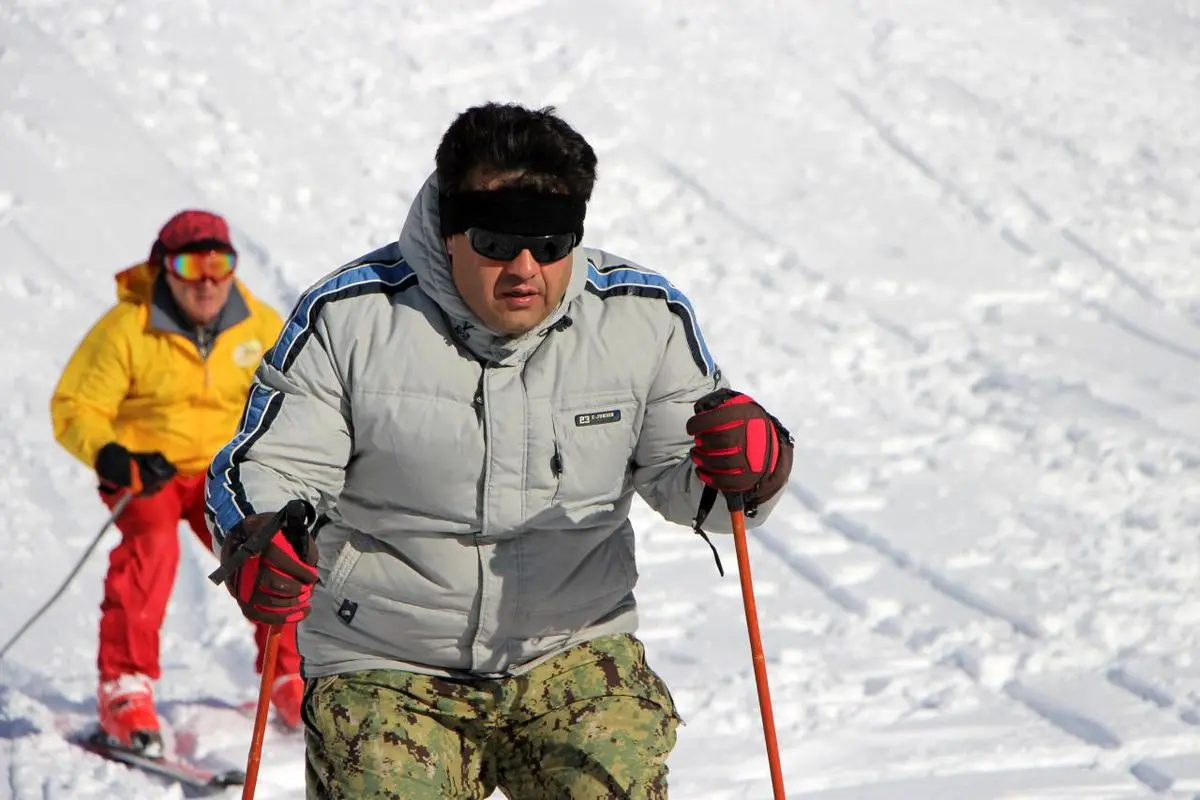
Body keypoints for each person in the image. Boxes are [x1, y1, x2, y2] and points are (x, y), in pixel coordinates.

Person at [205, 103, 794, 800]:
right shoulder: (353, 319)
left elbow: (693, 484)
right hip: (388, 659)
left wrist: (752, 467)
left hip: (572, 651)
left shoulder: (641, 318)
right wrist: (262, 535)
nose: (524, 268)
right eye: (494, 241)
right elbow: (273, 465)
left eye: (549, 244)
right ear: (449, 232)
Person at [49, 210, 302, 757]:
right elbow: (76, 405)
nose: (207, 280)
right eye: (191, 264)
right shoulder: (128, 328)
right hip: (151, 473)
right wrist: (112, 452)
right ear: (165, 268)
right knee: (152, 550)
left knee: (273, 548)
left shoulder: (257, 325)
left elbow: (295, 396)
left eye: (220, 263)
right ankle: (125, 689)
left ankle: (289, 677)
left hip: (224, 472)